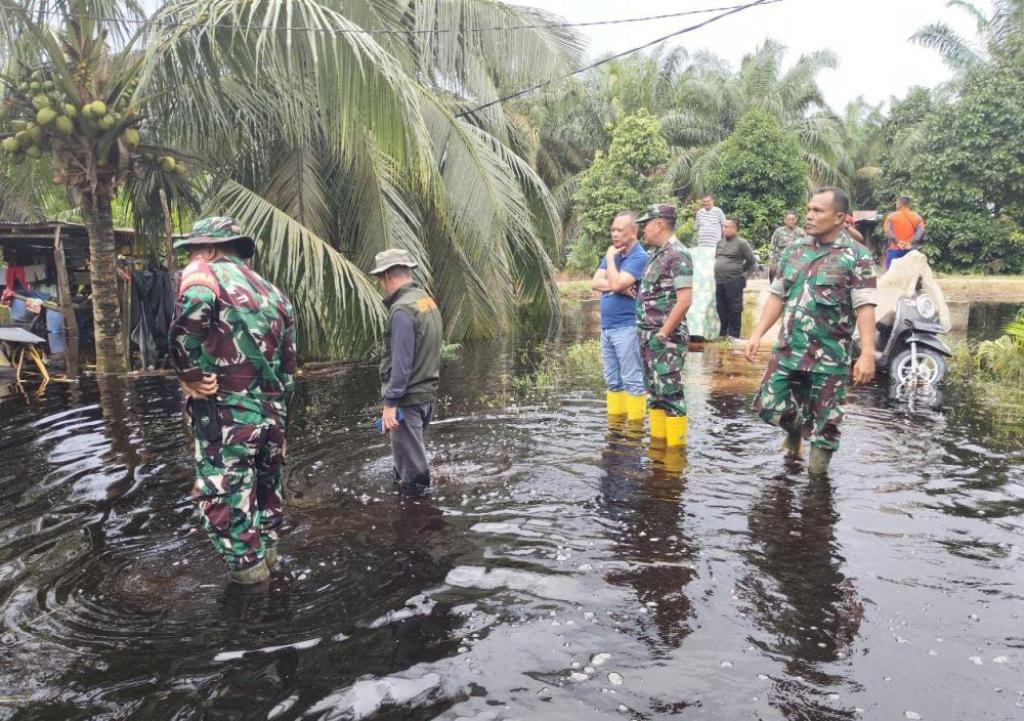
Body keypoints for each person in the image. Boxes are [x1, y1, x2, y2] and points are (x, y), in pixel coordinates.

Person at [169, 217, 297, 585]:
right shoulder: (275, 294)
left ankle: (253, 598)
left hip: (229, 420)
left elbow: (195, 303)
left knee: (228, 512)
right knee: (266, 504)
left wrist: (188, 372)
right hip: (272, 420)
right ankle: (275, 582)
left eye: (193, 251)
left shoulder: (203, 274)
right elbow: (289, 370)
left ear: (209, 249)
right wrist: (283, 425)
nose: (190, 259)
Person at [745, 188, 878, 476]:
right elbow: (777, 295)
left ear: (839, 217)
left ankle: (817, 485)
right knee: (768, 405)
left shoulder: (857, 256)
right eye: (808, 209)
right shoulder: (795, 250)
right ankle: (795, 429)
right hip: (788, 349)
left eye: (817, 211)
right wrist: (757, 334)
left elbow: (865, 306)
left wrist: (867, 353)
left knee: (825, 425)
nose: (809, 215)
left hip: (829, 356)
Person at [371, 249, 443, 488]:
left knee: (413, 478)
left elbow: (401, 364)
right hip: (426, 397)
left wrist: (390, 405)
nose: (381, 285)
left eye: (380, 279)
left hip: (408, 402)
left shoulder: (402, 310)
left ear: (386, 276)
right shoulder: (426, 301)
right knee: (408, 463)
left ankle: (419, 510)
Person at [635, 204, 693, 447]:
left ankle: (674, 459)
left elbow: (685, 300)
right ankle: (658, 452)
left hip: (665, 340)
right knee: (656, 396)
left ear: (659, 224)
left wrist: (662, 334)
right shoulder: (658, 254)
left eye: (646, 224)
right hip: (649, 338)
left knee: (671, 397)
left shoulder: (678, 255)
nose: (643, 230)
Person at [591, 211, 650, 421]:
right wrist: (617, 287)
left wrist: (610, 260)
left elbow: (613, 283)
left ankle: (634, 432)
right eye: (613, 230)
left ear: (633, 232)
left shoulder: (639, 257)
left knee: (632, 380)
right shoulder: (615, 254)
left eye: (619, 230)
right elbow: (595, 282)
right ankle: (615, 430)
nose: (614, 234)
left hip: (627, 326)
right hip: (608, 327)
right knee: (613, 381)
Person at [714, 218, 758, 339]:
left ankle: (734, 336)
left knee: (734, 308)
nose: (723, 229)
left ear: (734, 228)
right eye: (723, 226)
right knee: (721, 308)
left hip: (734, 280)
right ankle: (723, 334)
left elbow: (751, 260)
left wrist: (742, 274)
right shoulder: (720, 242)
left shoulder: (741, 243)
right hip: (719, 281)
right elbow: (718, 259)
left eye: (726, 227)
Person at [688, 194, 724, 340]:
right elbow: (696, 228)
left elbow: (724, 226)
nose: (706, 204)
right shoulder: (700, 213)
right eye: (704, 202)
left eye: (708, 201)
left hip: (714, 247)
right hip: (702, 248)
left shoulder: (718, 211)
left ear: (712, 201)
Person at [883, 196, 925, 269]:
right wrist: (910, 243)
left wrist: (898, 242)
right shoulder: (917, 217)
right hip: (911, 250)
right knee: (911, 274)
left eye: (896, 203)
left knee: (892, 273)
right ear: (908, 204)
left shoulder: (891, 217)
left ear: (899, 204)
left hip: (895, 250)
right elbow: (921, 231)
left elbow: (887, 232)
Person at [769, 212, 805, 282]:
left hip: (796, 263)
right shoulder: (779, 231)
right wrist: (772, 262)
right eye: (789, 219)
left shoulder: (801, 232)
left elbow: (806, 248)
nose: (791, 221)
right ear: (785, 220)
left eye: (793, 219)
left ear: (796, 220)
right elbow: (772, 248)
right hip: (781, 261)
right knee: (778, 284)